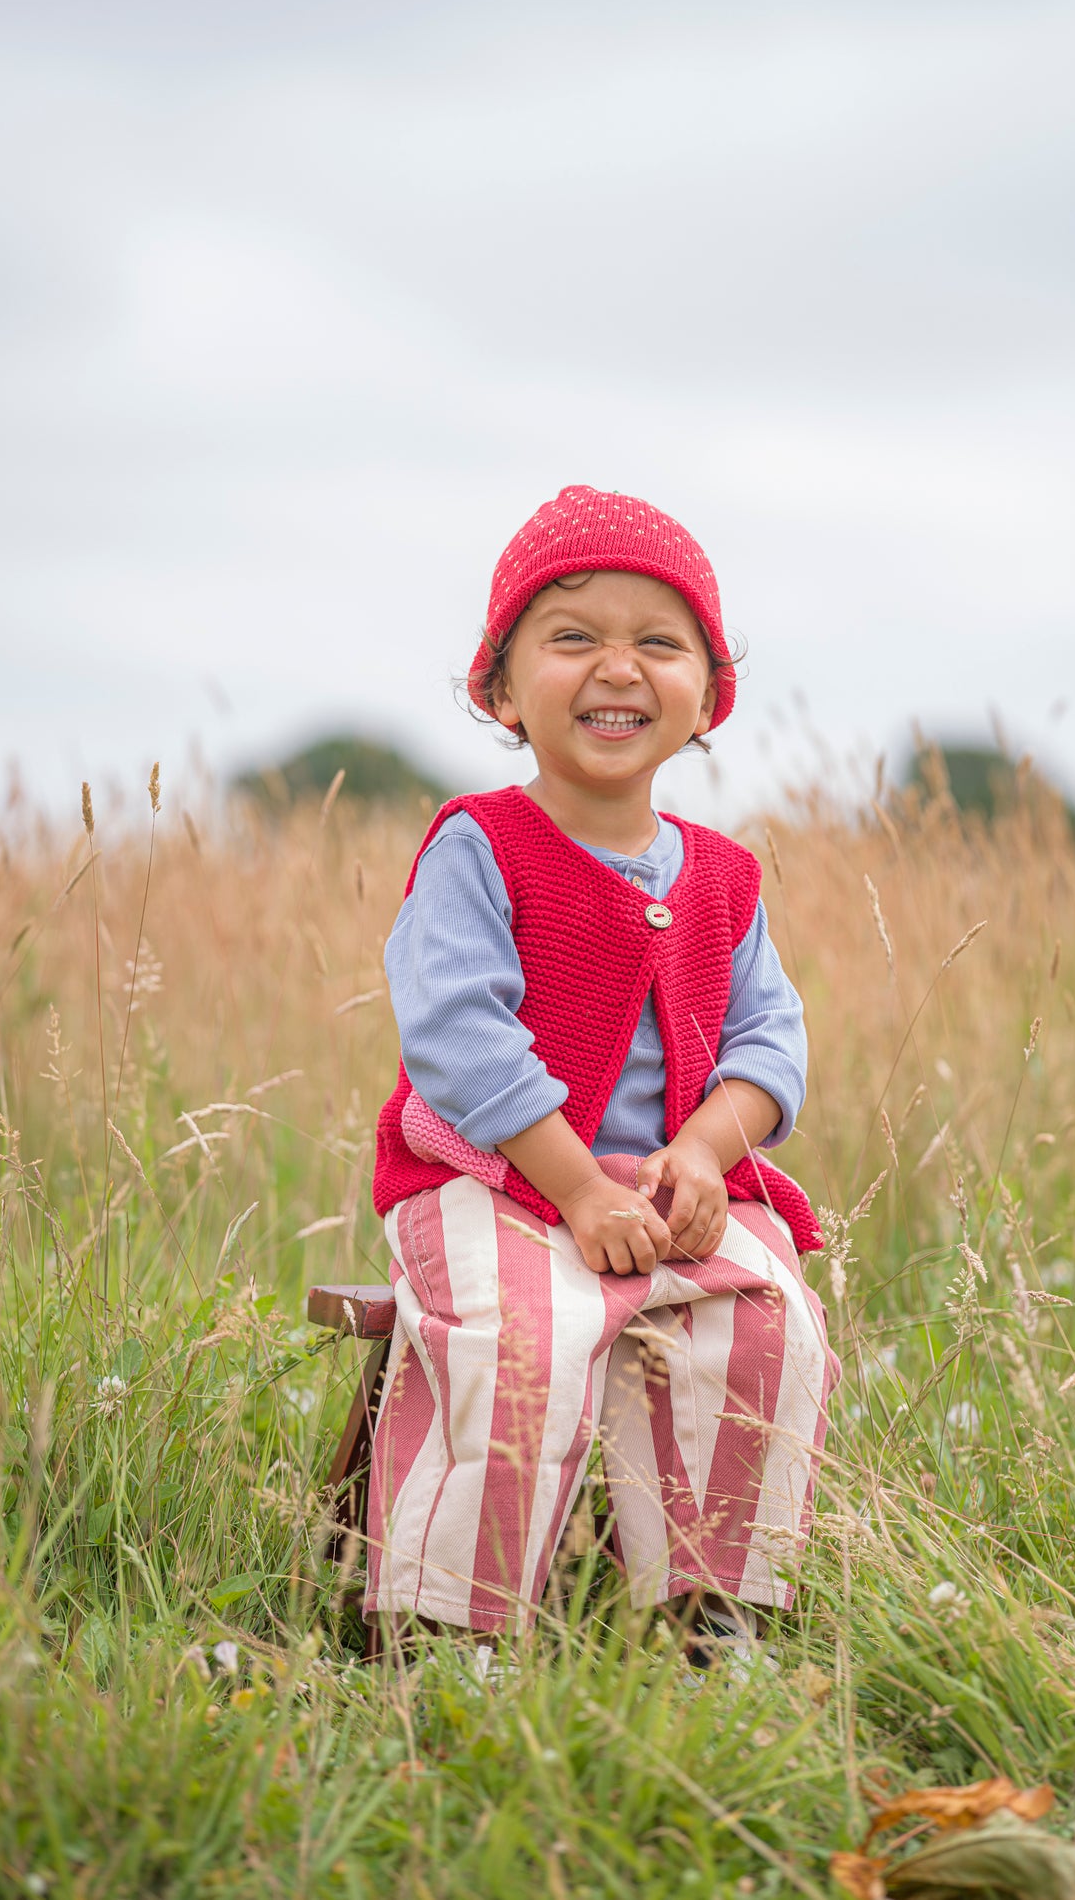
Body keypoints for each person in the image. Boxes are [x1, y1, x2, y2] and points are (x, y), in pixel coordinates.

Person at [365, 484, 838, 1660]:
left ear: (707, 696)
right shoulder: (482, 844)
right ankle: (449, 1623)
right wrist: (578, 1189)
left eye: (657, 643)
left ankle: (710, 1606)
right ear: (499, 687)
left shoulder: (723, 874)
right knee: (521, 1331)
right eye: (571, 636)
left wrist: (700, 1152)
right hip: (493, 1174)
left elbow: (767, 1044)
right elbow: (459, 1036)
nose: (616, 668)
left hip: (663, 1185)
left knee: (769, 1324)